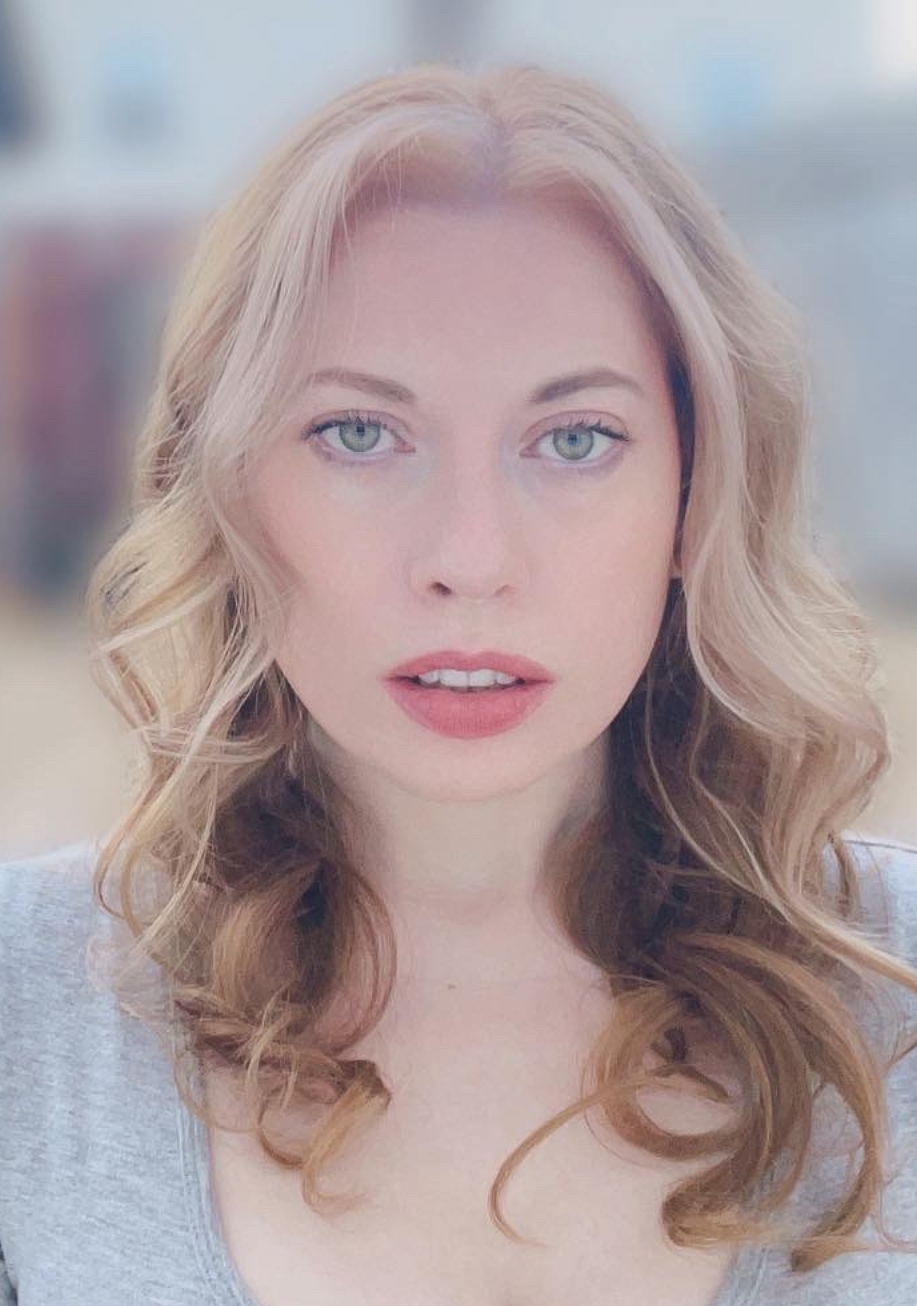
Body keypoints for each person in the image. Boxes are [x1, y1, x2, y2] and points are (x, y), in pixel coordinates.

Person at [1, 60, 916, 1306]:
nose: (469, 561)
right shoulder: (27, 996)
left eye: (574, 438)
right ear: (222, 486)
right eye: (359, 434)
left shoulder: (896, 992)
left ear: (695, 495)